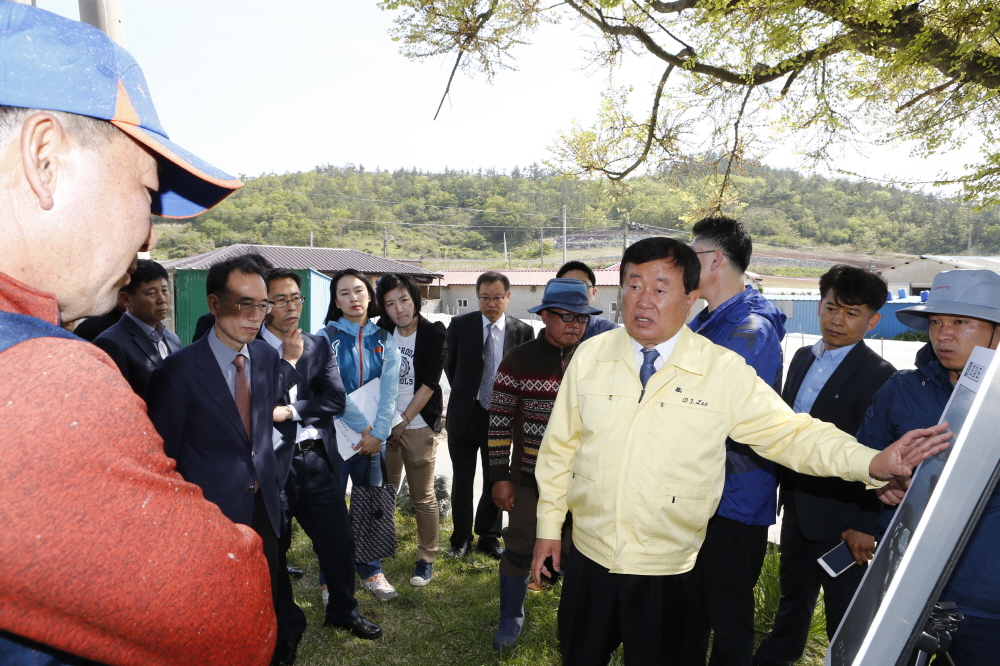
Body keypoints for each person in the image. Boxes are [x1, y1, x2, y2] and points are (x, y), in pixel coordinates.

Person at [0, 4, 275, 664]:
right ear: (45, 158)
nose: (151, 235)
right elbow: (234, 624)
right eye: (145, 192)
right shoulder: (37, 378)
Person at [530, 237, 952, 666]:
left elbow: (790, 432)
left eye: (660, 288)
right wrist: (548, 528)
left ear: (691, 296)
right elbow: (560, 447)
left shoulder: (720, 369)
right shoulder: (591, 356)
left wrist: (872, 461)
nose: (643, 301)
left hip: (667, 568)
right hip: (589, 556)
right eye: (633, 285)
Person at [146, 255, 306, 665]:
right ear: (214, 304)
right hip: (209, 512)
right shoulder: (178, 371)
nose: (256, 317)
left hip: (263, 503)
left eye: (263, 305)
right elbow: (163, 455)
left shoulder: (267, 359)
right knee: (217, 604)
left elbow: (259, 432)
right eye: (244, 304)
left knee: (266, 587)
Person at [753, 266, 896, 666]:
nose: (837, 320)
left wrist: (864, 521)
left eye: (852, 313)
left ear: (873, 320)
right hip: (798, 506)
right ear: (819, 305)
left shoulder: (880, 376)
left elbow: (877, 451)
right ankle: (777, 656)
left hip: (844, 521)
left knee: (844, 614)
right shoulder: (801, 357)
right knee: (793, 599)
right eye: (832, 308)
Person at [859, 269, 1000, 666]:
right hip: (904, 589)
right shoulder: (901, 390)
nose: (943, 334)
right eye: (936, 321)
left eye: (961, 322)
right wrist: (878, 484)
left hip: (987, 599)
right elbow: (862, 460)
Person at [686, 216, 787, 666]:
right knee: (694, 611)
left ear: (715, 260)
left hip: (734, 497)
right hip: (707, 492)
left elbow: (712, 415)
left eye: (691, 258)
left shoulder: (749, 330)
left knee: (727, 619)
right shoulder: (713, 323)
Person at [261, 268, 382, 641]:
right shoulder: (250, 348)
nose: (291, 307)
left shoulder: (316, 345)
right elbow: (258, 405)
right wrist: (290, 363)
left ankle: (343, 612)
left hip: (316, 460)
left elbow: (333, 400)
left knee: (340, 541)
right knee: (275, 551)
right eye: (280, 299)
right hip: (272, 466)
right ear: (264, 305)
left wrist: (292, 411)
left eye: (296, 297)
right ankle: (283, 625)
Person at [488, 278, 597, 651]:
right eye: (565, 317)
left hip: (587, 480)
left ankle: (582, 621)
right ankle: (510, 617)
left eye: (581, 318)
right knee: (520, 545)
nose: (574, 325)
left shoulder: (596, 360)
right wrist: (499, 478)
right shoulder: (518, 360)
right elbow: (499, 423)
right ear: (545, 316)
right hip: (528, 477)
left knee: (584, 553)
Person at [318, 269, 401, 600]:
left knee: (371, 506)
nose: (353, 298)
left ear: (370, 296)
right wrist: (364, 429)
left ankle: (372, 571)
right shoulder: (324, 338)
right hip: (336, 440)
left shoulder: (385, 340)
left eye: (359, 291)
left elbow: (390, 394)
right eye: (344, 293)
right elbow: (330, 388)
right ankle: (330, 576)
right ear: (336, 301)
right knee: (331, 509)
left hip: (374, 444)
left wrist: (377, 435)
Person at [445, 271, 534, 559]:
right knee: (462, 479)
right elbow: (451, 365)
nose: (491, 303)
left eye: (497, 297)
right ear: (477, 297)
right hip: (465, 414)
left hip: (501, 418)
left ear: (508, 297)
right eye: (485, 297)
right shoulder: (460, 325)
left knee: (496, 477)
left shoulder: (522, 331)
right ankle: (460, 538)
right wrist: (469, 394)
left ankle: (489, 535)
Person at [377, 273, 448, 587]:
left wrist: (402, 420)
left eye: (404, 300)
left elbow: (430, 384)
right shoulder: (379, 331)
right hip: (383, 424)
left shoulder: (433, 333)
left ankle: (426, 558)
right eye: (390, 303)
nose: (399, 309)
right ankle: (379, 550)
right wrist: (386, 421)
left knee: (423, 497)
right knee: (384, 493)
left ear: (415, 300)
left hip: (417, 425)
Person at [93, 259, 181, 397]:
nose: (162, 299)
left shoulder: (172, 338)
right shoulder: (111, 343)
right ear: (126, 299)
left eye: (164, 290)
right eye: (151, 293)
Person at [555, 260, 619, 341]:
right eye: (568, 286)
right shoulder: (551, 333)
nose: (575, 292)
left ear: (594, 293)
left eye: (583, 286)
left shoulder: (612, 333)